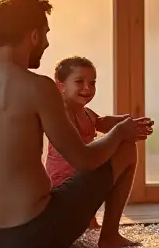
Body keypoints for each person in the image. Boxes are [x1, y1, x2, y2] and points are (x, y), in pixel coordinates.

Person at [0, 0, 153, 248]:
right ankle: (110, 236)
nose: (45, 43)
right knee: (124, 146)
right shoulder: (38, 86)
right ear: (33, 36)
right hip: (36, 232)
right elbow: (84, 160)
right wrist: (119, 131)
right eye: (44, 33)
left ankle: (4, 228)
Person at [46, 55, 131, 232]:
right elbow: (82, 153)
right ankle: (107, 232)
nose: (87, 88)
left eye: (92, 83)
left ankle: (93, 225)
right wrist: (120, 131)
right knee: (124, 146)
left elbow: (102, 122)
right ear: (60, 86)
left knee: (126, 144)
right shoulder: (62, 114)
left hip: (81, 178)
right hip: (63, 185)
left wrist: (126, 121)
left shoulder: (85, 113)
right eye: (79, 81)